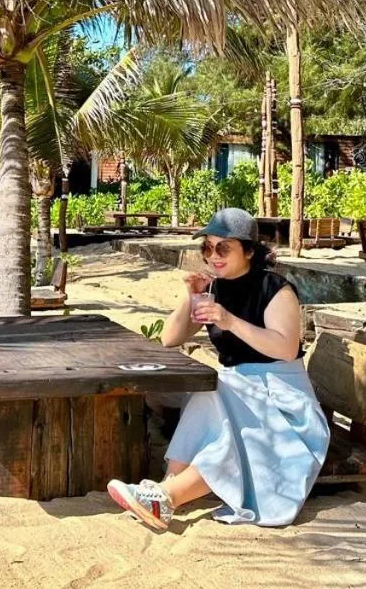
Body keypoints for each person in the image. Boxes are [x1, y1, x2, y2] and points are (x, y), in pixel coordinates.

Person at [106, 208, 329, 529]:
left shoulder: (276, 289)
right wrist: (191, 297)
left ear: (249, 251)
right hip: (238, 389)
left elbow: (285, 347)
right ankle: (164, 489)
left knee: (220, 393)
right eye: (207, 248)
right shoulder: (215, 288)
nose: (213, 255)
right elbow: (170, 337)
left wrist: (229, 320)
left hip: (282, 399)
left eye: (223, 248)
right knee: (206, 392)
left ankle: (167, 496)